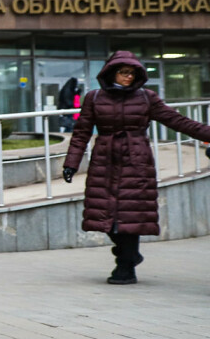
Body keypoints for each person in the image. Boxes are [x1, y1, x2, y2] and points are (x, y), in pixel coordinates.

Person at [62, 52, 210, 285]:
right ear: (112, 73)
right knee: (102, 212)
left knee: (131, 214)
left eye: (132, 73)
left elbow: (177, 121)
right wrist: (71, 163)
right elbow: (81, 133)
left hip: (137, 160)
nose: (128, 77)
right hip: (105, 159)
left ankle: (126, 265)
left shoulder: (146, 98)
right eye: (123, 73)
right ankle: (129, 254)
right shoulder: (94, 97)